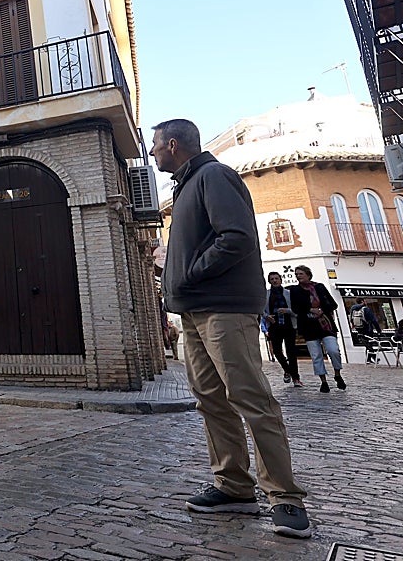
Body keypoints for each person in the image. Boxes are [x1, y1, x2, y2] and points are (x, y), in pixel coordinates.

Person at [151, 118, 310, 539]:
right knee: (211, 401)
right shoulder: (186, 186)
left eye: (155, 147)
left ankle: (285, 497)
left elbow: (236, 238)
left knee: (251, 398)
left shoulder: (213, 176)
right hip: (193, 312)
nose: (151, 154)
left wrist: (186, 275)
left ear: (172, 144)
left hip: (223, 308)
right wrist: (173, 273)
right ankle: (234, 486)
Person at [290, 265, 346, 392]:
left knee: (333, 350)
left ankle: (337, 374)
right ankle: (323, 381)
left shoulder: (319, 287)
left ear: (308, 274)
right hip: (309, 326)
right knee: (316, 355)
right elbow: (295, 308)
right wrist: (310, 309)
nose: (298, 276)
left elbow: (332, 304)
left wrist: (321, 310)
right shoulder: (295, 290)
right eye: (297, 274)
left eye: (301, 274)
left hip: (325, 324)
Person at [265, 272, 302, 387]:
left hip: (288, 324)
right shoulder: (266, 294)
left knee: (291, 352)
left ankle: (296, 378)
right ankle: (287, 369)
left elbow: (297, 310)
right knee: (276, 351)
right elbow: (261, 309)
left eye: (276, 278)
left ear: (281, 280)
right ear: (269, 281)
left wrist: (288, 311)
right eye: (272, 279)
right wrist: (267, 317)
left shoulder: (288, 294)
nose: (275, 281)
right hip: (274, 324)